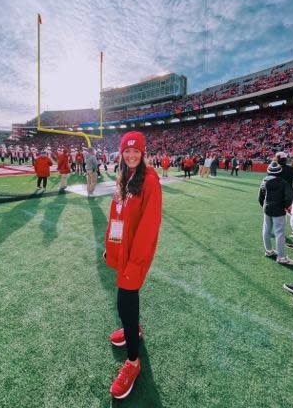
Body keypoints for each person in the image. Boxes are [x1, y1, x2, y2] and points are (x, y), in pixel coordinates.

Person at [104, 131, 162, 399]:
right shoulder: (124, 176)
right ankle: (133, 330)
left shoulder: (150, 180)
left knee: (124, 301)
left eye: (136, 150)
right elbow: (116, 215)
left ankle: (133, 362)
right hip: (122, 250)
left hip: (135, 255)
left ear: (143, 152)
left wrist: (135, 262)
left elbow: (149, 227)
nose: (131, 155)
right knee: (128, 299)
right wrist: (111, 247)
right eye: (127, 151)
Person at [258, 160, 293, 265]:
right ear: (279, 172)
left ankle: (269, 251)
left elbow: (260, 197)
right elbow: (289, 197)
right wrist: (284, 206)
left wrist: (265, 206)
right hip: (278, 210)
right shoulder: (283, 183)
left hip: (267, 209)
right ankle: (281, 257)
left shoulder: (264, 181)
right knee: (279, 233)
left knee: (266, 230)